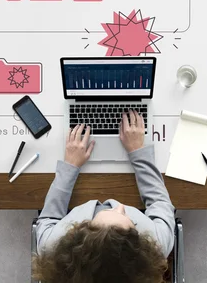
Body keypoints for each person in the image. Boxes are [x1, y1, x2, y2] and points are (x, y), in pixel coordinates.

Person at [33, 110, 175, 283]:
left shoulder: (52, 246)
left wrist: (70, 165)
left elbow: (48, 217)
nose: (121, 207)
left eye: (115, 212)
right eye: (130, 223)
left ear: (81, 231)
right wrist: (138, 152)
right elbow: (160, 202)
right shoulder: (156, 245)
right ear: (138, 246)